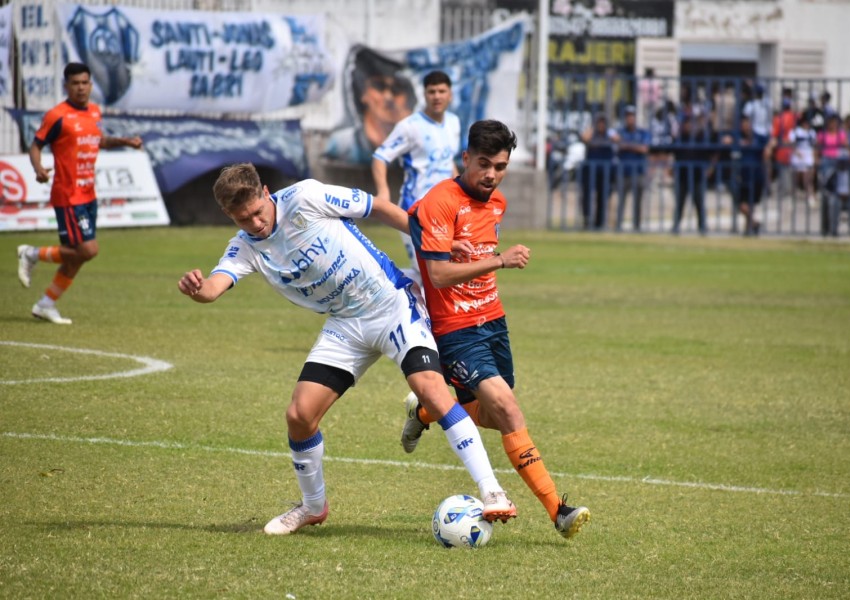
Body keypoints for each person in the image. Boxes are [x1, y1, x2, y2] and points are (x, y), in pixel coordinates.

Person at [176, 163, 516, 535]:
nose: (256, 223)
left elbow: (379, 208)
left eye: (258, 212)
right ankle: (312, 506)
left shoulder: (305, 197)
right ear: (229, 216)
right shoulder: (244, 248)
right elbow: (213, 288)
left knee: (432, 391)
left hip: (392, 303)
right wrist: (198, 289)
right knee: (299, 415)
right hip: (345, 325)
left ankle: (493, 491)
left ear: (266, 192)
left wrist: (437, 243)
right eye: (243, 219)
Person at [401, 120, 591, 539]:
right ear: (465, 158)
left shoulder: (498, 204)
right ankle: (558, 509)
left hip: (494, 324)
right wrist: (499, 261)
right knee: (508, 410)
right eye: (483, 163)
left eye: (500, 166)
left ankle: (425, 409)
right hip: (456, 330)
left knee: (493, 414)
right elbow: (439, 274)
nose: (491, 174)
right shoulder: (440, 201)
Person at [16, 62, 142, 325]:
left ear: (90, 84)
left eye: (85, 82)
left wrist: (125, 142)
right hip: (68, 193)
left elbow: (98, 140)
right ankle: (31, 253)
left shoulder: (94, 112)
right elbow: (36, 145)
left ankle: (45, 304)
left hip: (88, 193)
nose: (81, 87)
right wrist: (38, 168)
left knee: (78, 257)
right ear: (66, 86)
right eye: (75, 83)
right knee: (88, 250)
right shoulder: (57, 116)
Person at [371, 70, 461, 285]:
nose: (437, 96)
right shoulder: (410, 126)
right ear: (424, 95)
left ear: (450, 95)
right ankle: (378, 284)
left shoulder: (454, 123)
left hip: (445, 210)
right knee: (429, 272)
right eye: (432, 91)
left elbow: (448, 162)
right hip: (416, 209)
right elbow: (380, 157)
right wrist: (383, 191)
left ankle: (382, 285)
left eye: (441, 91)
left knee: (445, 270)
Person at [324, 46, 416, 164]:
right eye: (379, 86)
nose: (388, 97)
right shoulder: (342, 144)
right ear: (363, 93)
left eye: (396, 89)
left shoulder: (414, 147)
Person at [724, 116, 765, 235]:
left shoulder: (758, 137)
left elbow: (766, 149)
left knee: (751, 204)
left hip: (756, 175)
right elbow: (726, 140)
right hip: (743, 176)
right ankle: (754, 223)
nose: (746, 126)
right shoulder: (737, 136)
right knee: (742, 204)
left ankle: (749, 229)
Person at [579, 113, 619, 229]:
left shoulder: (609, 134)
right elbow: (584, 138)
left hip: (605, 172)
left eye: (603, 123)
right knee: (587, 196)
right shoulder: (592, 134)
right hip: (591, 171)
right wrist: (591, 131)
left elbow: (618, 140)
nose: (601, 125)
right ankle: (587, 220)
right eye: (599, 123)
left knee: (603, 197)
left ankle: (599, 222)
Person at [614, 105, 650, 231]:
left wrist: (626, 144)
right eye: (627, 116)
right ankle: (618, 226)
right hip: (624, 172)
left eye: (632, 116)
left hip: (638, 171)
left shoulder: (642, 132)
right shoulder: (621, 131)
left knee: (638, 202)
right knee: (621, 201)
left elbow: (644, 149)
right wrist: (633, 146)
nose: (630, 119)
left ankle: (637, 226)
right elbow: (617, 145)